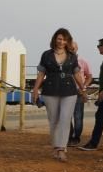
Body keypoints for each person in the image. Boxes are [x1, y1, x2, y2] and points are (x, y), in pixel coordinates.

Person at [31, 28, 86, 162]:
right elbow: (41, 74)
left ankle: (62, 148)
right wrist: (35, 90)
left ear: (68, 41)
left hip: (69, 91)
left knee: (65, 119)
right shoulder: (46, 55)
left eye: (65, 39)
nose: (62, 42)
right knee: (54, 120)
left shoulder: (73, 56)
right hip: (50, 90)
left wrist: (83, 89)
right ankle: (56, 147)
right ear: (55, 39)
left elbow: (77, 73)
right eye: (60, 39)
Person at [67, 41, 92, 146]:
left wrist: (84, 87)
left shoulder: (82, 61)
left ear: (77, 48)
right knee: (66, 116)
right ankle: (68, 136)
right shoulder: (63, 61)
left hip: (79, 92)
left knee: (78, 116)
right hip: (66, 93)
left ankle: (76, 137)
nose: (71, 50)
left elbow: (89, 76)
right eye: (69, 48)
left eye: (73, 48)